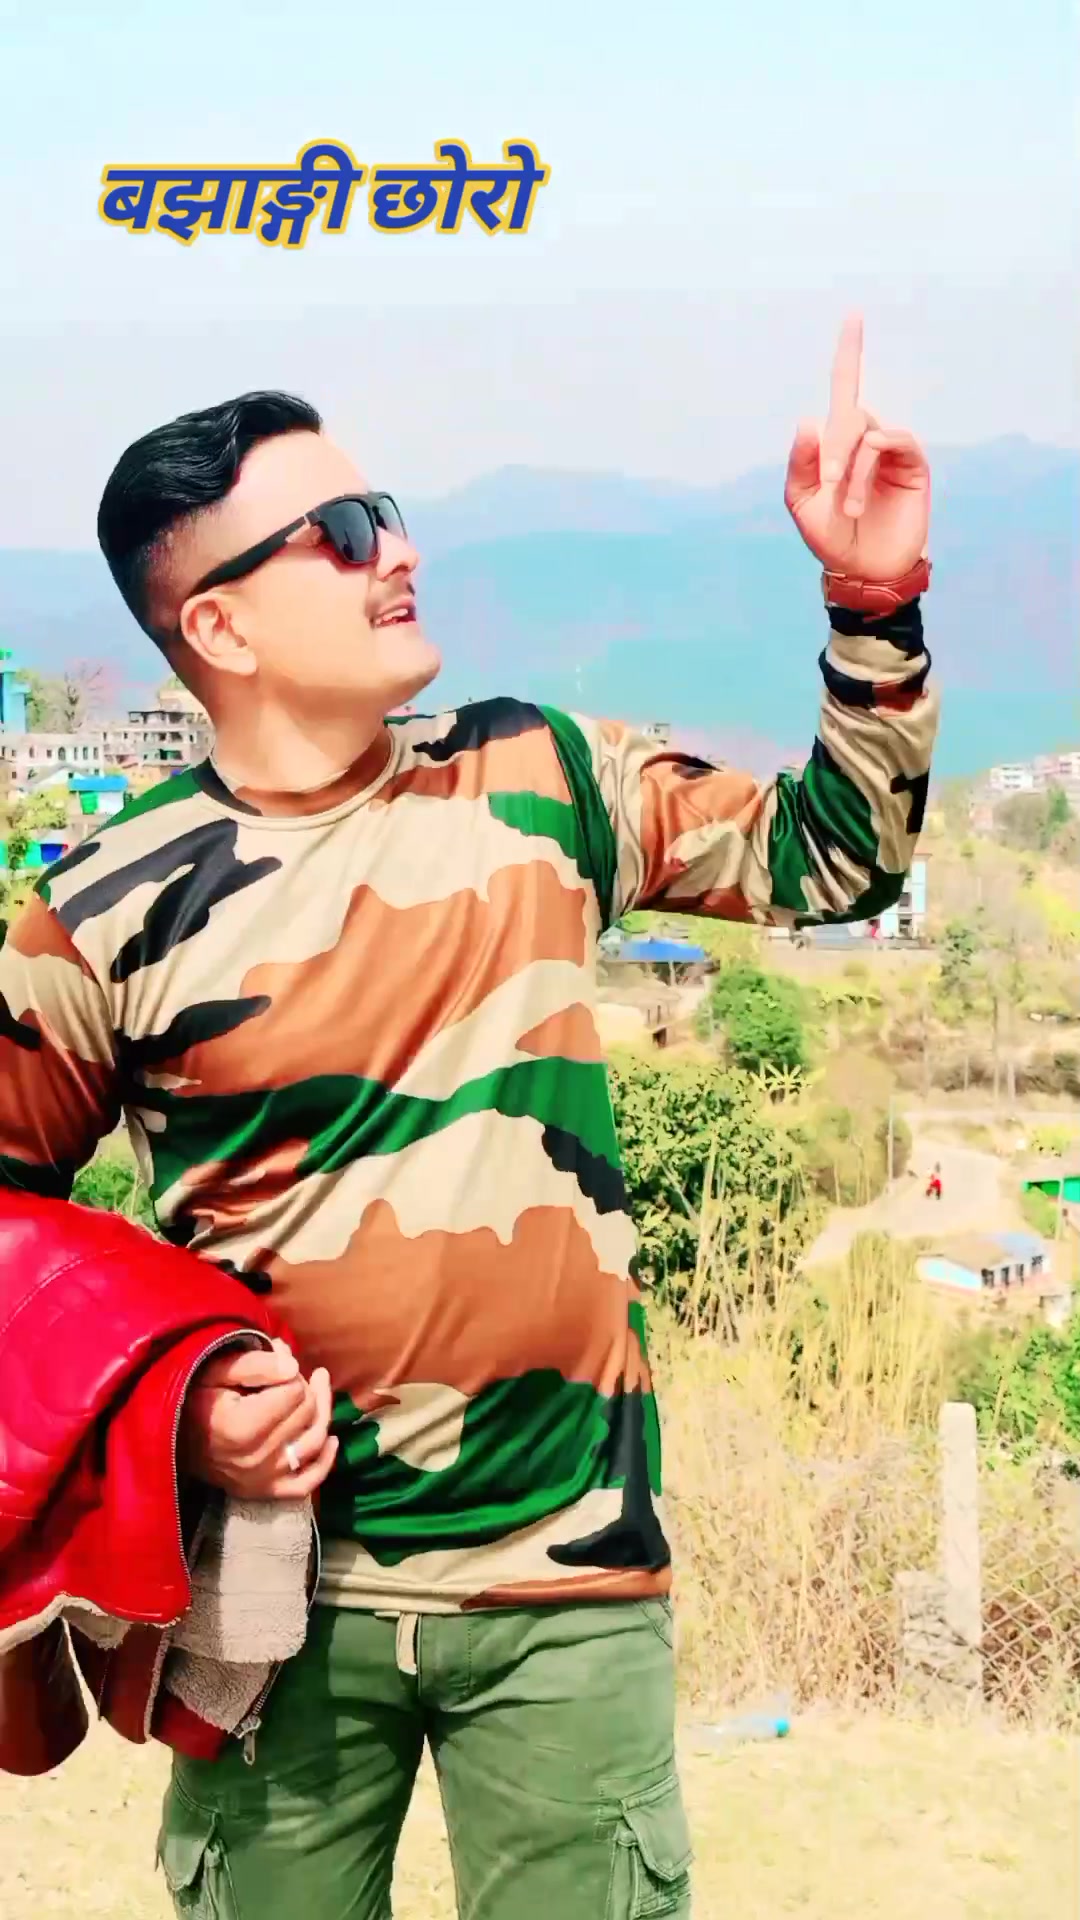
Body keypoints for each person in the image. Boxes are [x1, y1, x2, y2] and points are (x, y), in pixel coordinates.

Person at [0, 316, 936, 1919]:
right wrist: (176, 1405)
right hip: (271, 1594)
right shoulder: (104, 907)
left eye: (391, 514)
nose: (401, 552)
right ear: (218, 622)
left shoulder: (540, 775)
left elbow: (836, 856)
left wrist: (872, 597)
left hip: (567, 1577)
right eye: (342, 532)